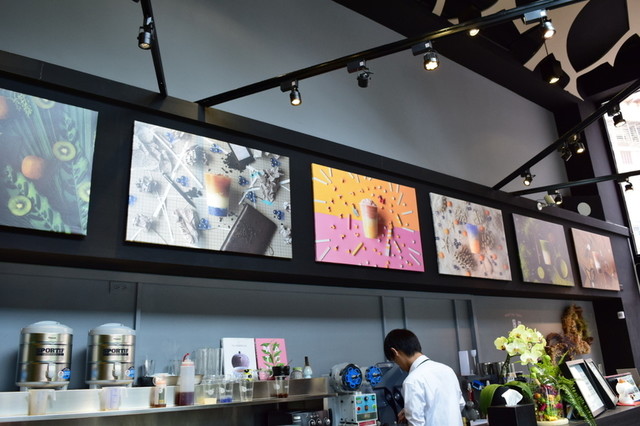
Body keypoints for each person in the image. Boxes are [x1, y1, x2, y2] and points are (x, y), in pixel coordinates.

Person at [383, 328, 464, 426]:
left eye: (395, 361)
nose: (399, 366)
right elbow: (460, 404)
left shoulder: (412, 381)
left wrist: (412, 413)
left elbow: (416, 423)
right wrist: (409, 410)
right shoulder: (448, 370)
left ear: (395, 352)